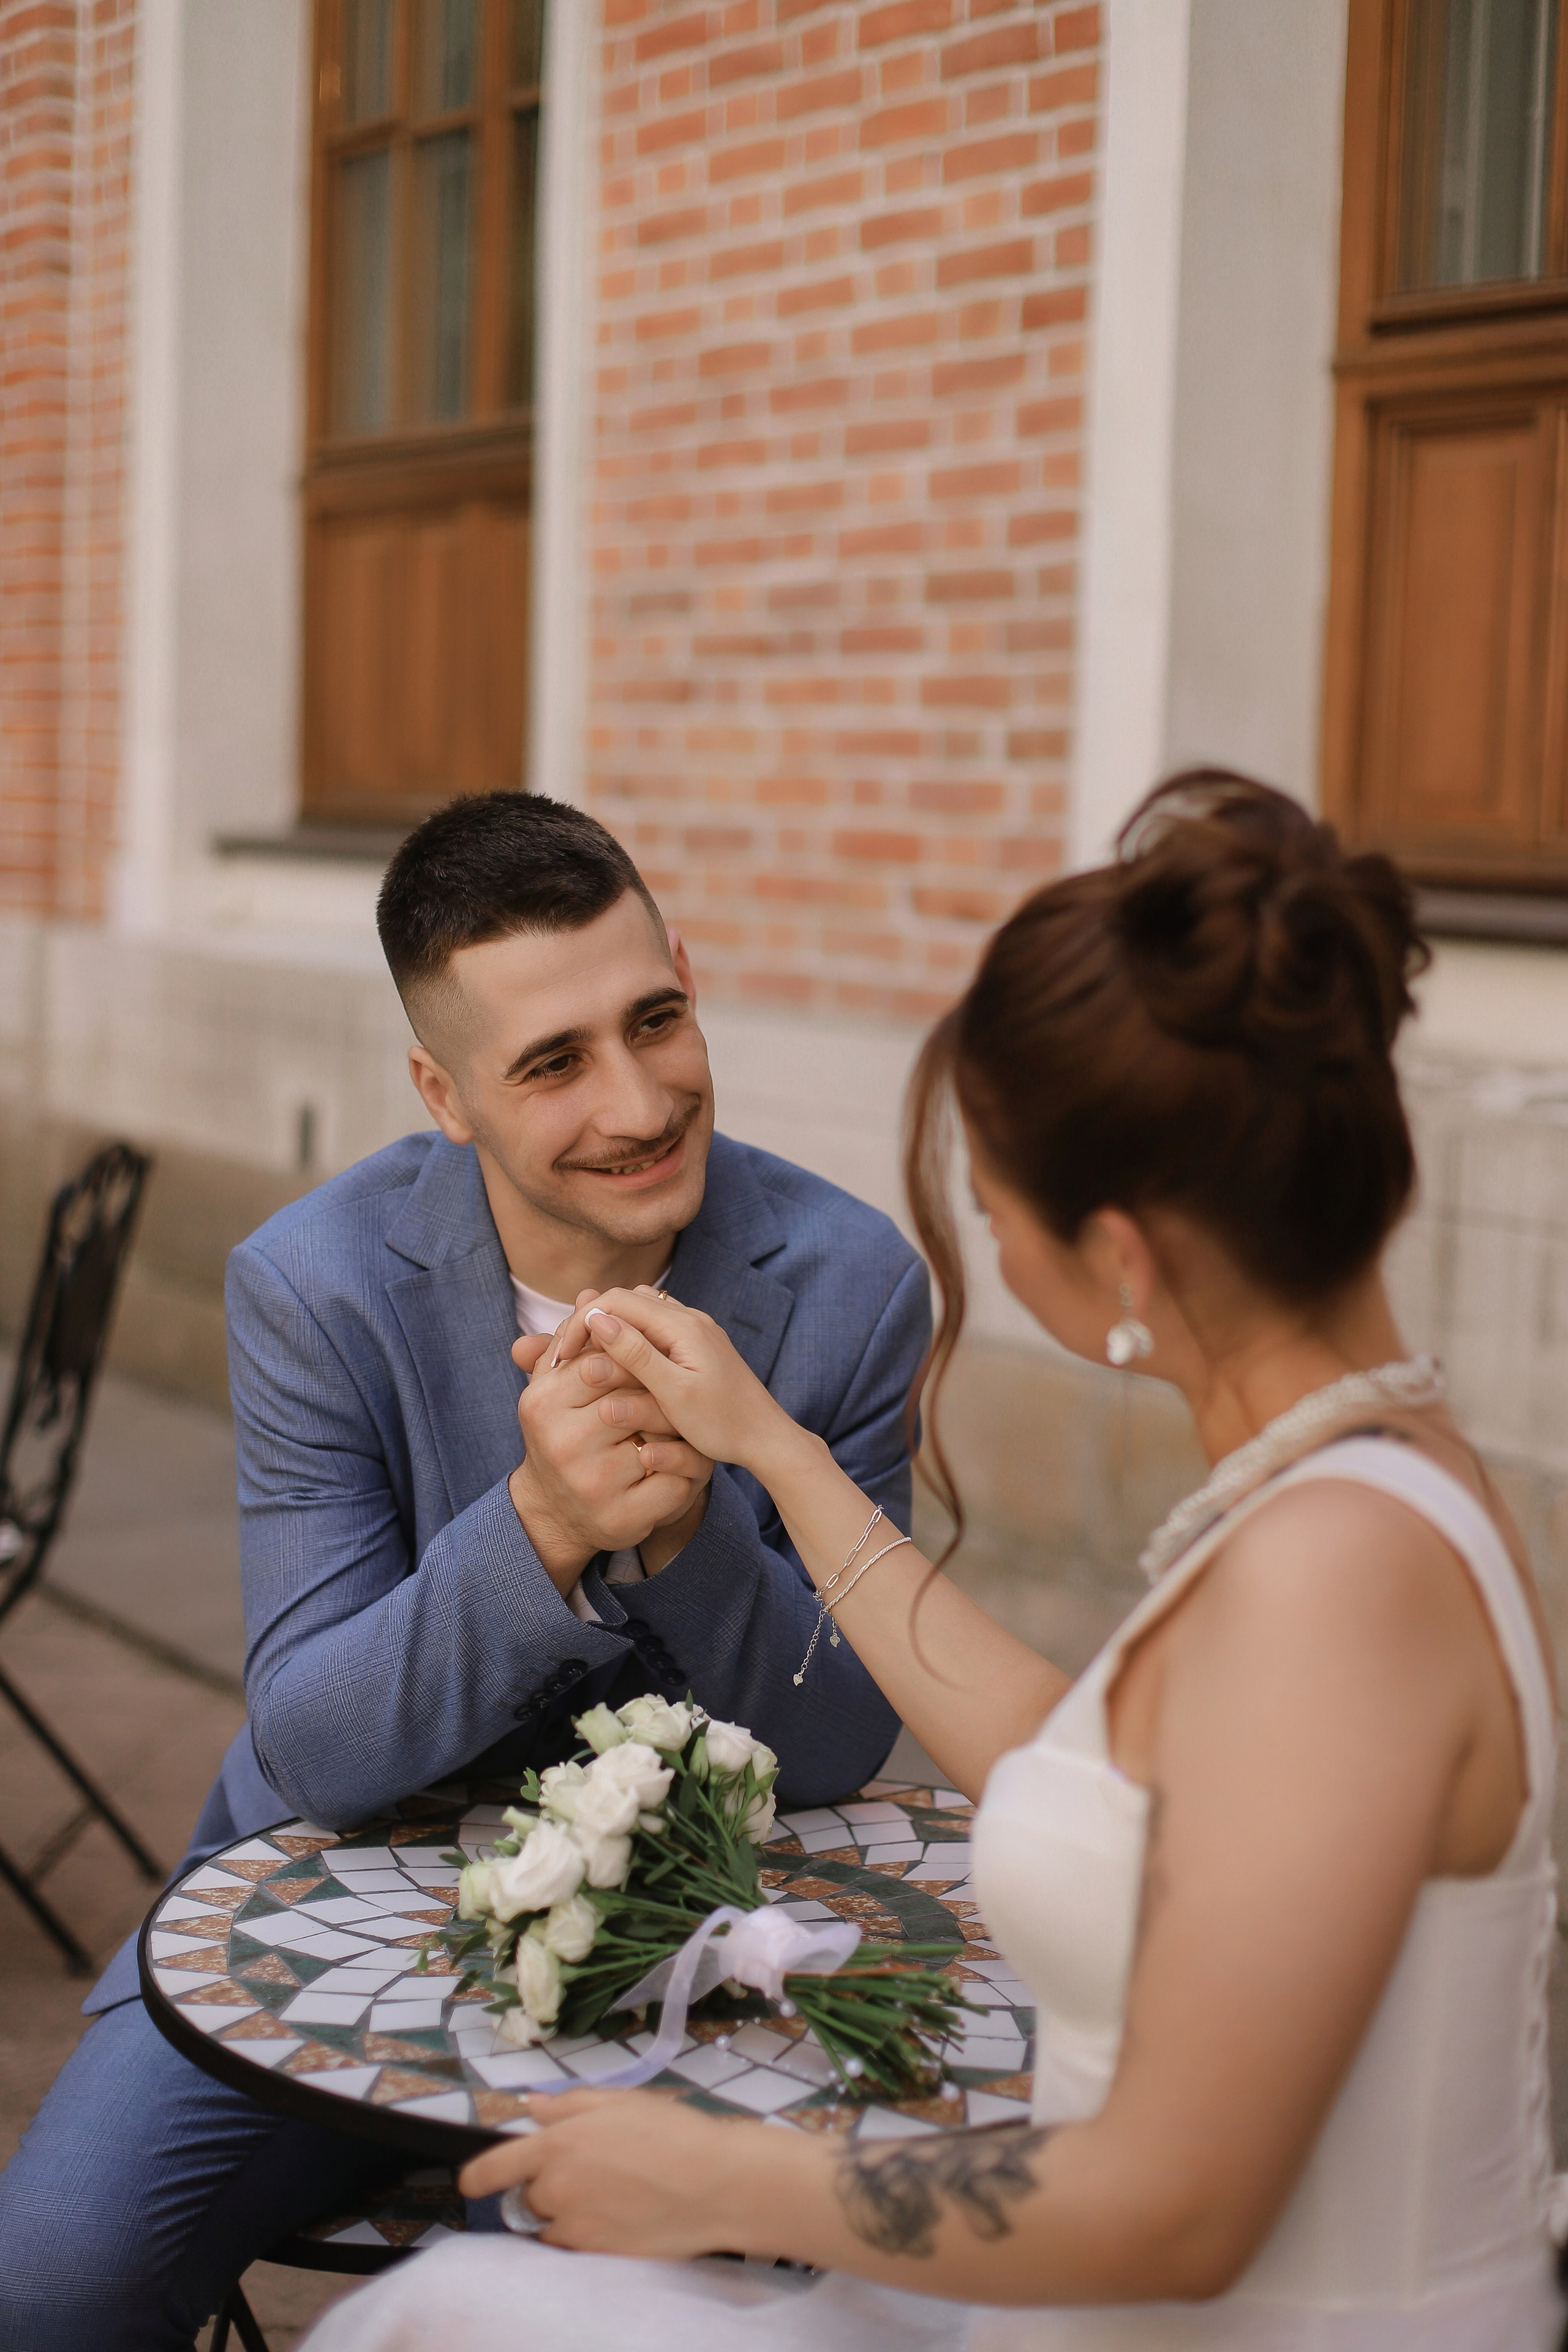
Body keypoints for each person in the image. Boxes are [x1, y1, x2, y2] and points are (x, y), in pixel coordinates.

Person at [304, 774, 1562, 2352]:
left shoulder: (1331, 1577)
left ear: (1117, 1256)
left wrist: (715, 2180)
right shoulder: (1347, 1484)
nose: (964, 1222)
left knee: (443, 2319)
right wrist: (770, 1448)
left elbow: (1181, 2206)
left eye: (984, 1192)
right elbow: (1076, 1760)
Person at [0, 793, 929, 2351]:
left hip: (687, 1960)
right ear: (444, 1093)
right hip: (317, 1909)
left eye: (657, 1020)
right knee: (49, 2286)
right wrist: (541, 1531)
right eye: (551, 1062)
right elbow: (313, 1745)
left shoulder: (847, 1285)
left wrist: (689, 1535)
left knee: (557, 2309)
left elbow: (837, 1742)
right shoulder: (313, 1284)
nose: (638, 1101)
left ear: (690, 982)